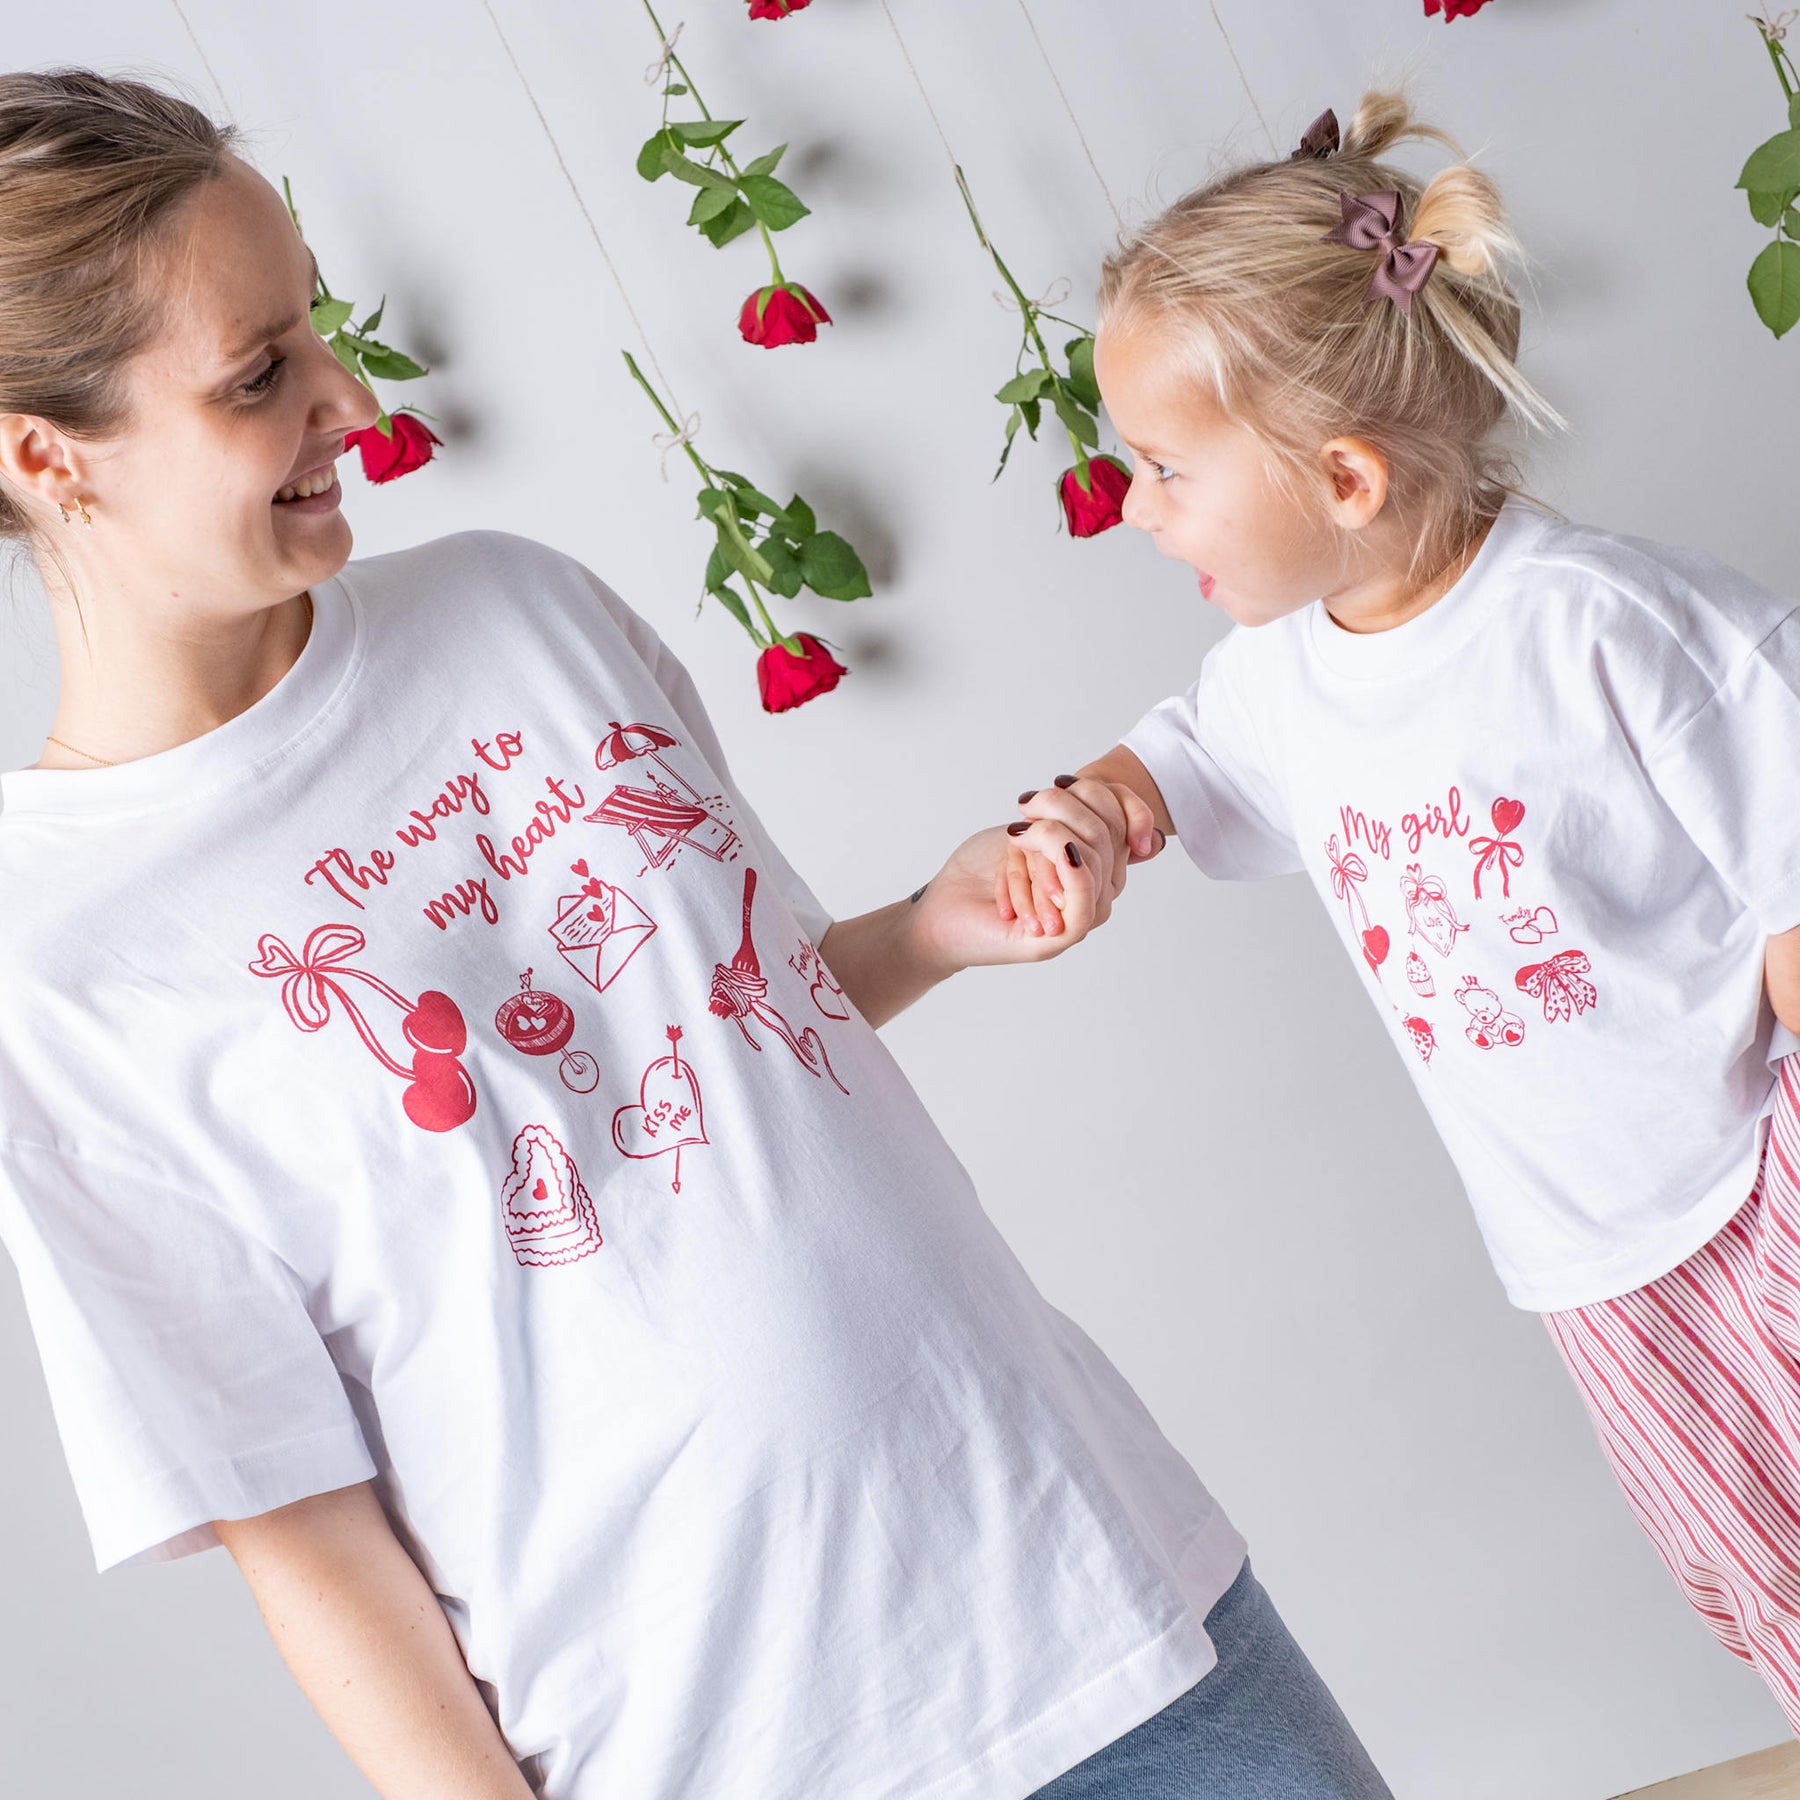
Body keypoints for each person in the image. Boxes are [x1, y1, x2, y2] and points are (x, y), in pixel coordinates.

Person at [0, 70, 1393, 1800]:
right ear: (46, 455)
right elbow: (299, 1524)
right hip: (723, 1751)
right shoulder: (55, 960)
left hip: (1092, 1586)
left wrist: (926, 930)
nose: (347, 401)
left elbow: (737, 1017)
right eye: (256, 374)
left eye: (315, 332)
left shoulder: (518, 611)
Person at [1006, 88, 1800, 1728]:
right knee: (1757, 1574)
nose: (1137, 508)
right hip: (1588, 1263)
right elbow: (1183, 757)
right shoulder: (1284, 677)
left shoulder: (1600, 628)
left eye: (1166, 470)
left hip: (1753, 1192)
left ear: (1347, 477)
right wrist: (1096, 806)